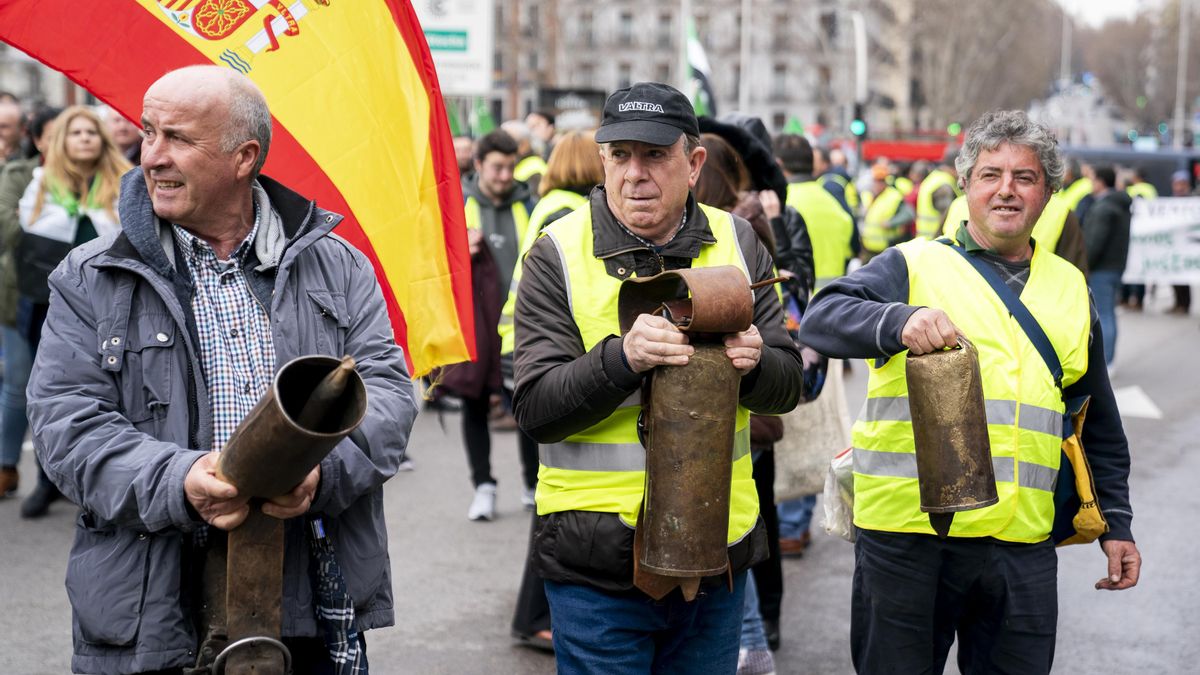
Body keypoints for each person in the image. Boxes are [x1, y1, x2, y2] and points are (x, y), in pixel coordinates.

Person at [26, 66, 416, 673]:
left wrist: (318, 473)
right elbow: (65, 423)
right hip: (150, 606)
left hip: (307, 601)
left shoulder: (336, 265)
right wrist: (182, 480)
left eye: (177, 138)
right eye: (147, 132)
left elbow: (387, 394)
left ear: (244, 158)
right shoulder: (89, 276)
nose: (150, 156)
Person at [799, 110, 1139, 675]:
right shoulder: (912, 264)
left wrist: (1118, 525)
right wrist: (897, 323)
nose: (1006, 190)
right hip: (908, 539)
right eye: (990, 174)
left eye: (1024, 177)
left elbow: (1096, 420)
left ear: (1049, 192)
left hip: (1019, 543)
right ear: (965, 184)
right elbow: (821, 318)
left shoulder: (1070, 288)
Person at [512, 82, 803, 674]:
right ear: (601, 160)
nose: (634, 175)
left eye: (654, 156)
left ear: (694, 163)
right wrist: (622, 359)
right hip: (597, 566)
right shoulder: (556, 253)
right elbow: (536, 410)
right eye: (620, 155)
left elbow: (788, 386)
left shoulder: (738, 240)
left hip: (717, 556)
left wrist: (755, 364)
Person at [509, 129, 604, 652]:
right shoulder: (567, 216)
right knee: (553, 494)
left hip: (520, 355)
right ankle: (532, 616)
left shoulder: (550, 203)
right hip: (534, 363)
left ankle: (531, 614)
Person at [16, 105, 132, 518]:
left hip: (109, 308)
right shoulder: (41, 185)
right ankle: (49, 481)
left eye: (91, 132)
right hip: (47, 309)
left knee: (111, 393)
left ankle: (108, 479)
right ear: (60, 140)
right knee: (50, 393)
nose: (84, 138)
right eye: (75, 132)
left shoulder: (124, 183)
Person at [460, 128, 536, 521]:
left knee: (526, 401)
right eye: (497, 168)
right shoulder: (457, 203)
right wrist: (457, 249)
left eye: (511, 167)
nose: (506, 176)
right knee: (474, 402)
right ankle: (483, 487)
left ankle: (531, 485)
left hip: (520, 323)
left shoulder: (530, 203)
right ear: (478, 166)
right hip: (476, 320)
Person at [0, 105, 59, 499]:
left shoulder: (102, 178)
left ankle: (54, 474)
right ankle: (7, 465)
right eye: (54, 134)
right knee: (20, 383)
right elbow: (8, 228)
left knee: (65, 388)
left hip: (74, 300)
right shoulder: (21, 176)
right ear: (36, 138)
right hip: (21, 294)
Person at [1082, 165, 1132, 368]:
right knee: (1108, 312)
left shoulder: (1103, 208)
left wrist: (1086, 265)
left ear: (1101, 182)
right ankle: (1108, 360)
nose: (1091, 184)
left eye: (1093, 180)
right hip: (1115, 267)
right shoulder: (1119, 205)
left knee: (1103, 316)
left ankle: (1106, 362)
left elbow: (1095, 242)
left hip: (1101, 268)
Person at [861, 162, 914, 257]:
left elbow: (909, 214)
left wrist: (892, 222)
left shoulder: (894, 196)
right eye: (876, 181)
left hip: (885, 250)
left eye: (880, 181)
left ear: (886, 181)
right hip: (868, 248)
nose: (878, 184)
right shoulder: (868, 195)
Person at [915, 151, 960, 239]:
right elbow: (947, 218)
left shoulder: (934, 178)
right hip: (937, 242)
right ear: (957, 166)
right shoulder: (944, 185)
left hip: (925, 241)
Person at [1169, 169, 1192, 314]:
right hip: (1173, 245)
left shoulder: (1192, 201)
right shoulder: (1170, 202)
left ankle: (1185, 304)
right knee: (1173, 277)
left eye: (1181, 184)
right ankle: (1177, 303)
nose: (1179, 187)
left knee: (1184, 278)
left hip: (1187, 246)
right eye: (1176, 184)